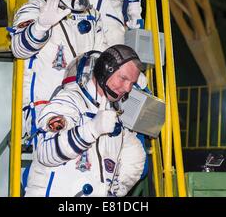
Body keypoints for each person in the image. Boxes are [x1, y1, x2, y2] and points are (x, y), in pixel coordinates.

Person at [10, 0, 107, 144]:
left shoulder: (92, 16)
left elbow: (101, 62)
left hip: (84, 111)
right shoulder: (35, 8)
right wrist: (41, 26)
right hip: (44, 113)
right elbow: (19, 48)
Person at [25, 44, 146, 197]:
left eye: (132, 83)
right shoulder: (68, 101)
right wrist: (91, 130)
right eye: (123, 79)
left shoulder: (115, 119)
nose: (127, 88)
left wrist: (116, 191)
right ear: (105, 70)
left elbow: (135, 155)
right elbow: (45, 151)